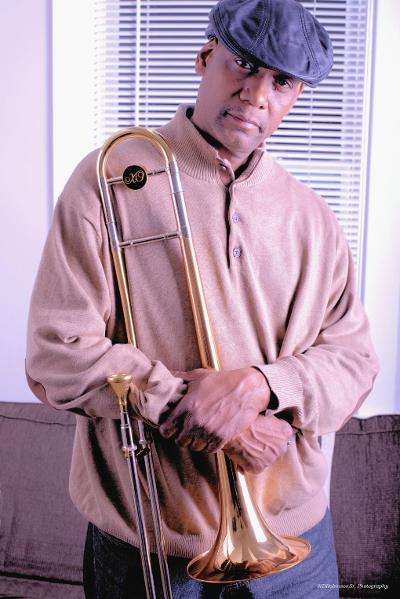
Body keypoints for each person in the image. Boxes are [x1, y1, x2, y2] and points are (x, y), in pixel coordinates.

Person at [26, 0, 379, 597]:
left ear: (296, 95)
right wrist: (199, 414)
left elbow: (354, 362)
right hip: (148, 544)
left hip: (298, 547)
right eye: (243, 64)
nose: (256, 94)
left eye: (282, 82)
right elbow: (57, 354)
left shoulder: (313, 217)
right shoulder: (110, 178)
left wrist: (261, 387)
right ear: (205, 55)